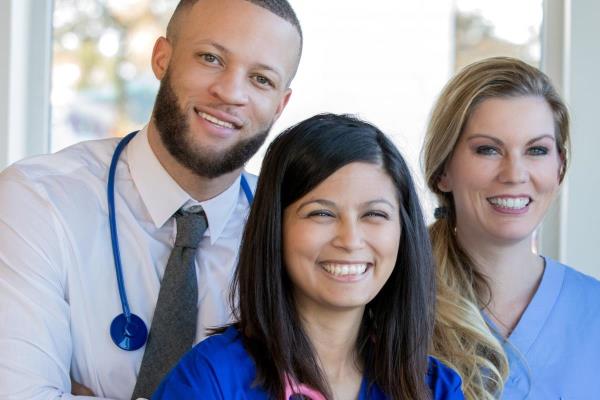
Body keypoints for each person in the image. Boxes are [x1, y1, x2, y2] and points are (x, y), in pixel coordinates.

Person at [0, 0, 302, 398]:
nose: (230, 92)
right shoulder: (38, 199)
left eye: (261, 79)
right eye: (211, 58)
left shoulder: (291, 231)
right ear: (162, 58)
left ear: (280, 105)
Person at [152, 113, 464, 400]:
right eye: (322, 213)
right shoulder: (210, 380)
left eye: (374, 214)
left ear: (403, 231)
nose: (350, 240)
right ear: (275, 228)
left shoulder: (435, 387)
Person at [423, 56, 600, 399]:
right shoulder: (392, 306)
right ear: (444, 170)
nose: (514, 174)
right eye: (488, 150)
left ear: (559, 169)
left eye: (536, 150)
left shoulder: (593, 312)